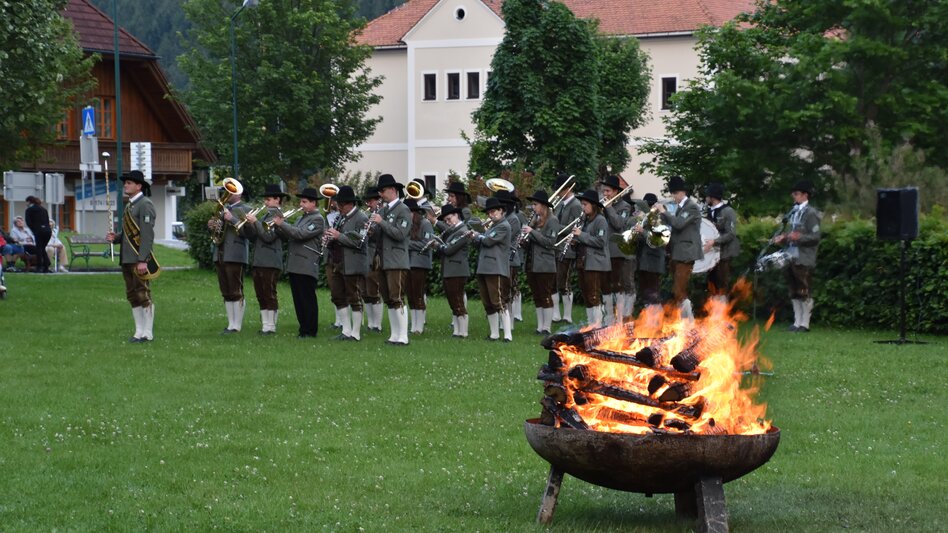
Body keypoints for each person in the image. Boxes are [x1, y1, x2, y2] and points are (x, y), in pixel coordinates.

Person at [105, 170, 156, 342]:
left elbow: (147, 235)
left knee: (143, 294)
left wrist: (143, 259)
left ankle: (148, 333)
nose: (125, 185)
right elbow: (128, 233)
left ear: (138, 186)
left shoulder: (145, 204)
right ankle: (138, 331)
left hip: (138, 259)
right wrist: (116, 238)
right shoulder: (130, 206)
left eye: (129, 183)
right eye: (125, 182)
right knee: (132, 295)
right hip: (126, 258)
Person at [273, 187, 325, 338]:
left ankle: (311, 330)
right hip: (295, 264)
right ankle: (303, 329)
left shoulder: (317, 219)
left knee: (307, 299)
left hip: (306, 264)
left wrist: (282, 224)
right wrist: (277, 227)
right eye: (301, 201)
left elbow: (300, 234)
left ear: (313, 203)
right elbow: (290, 236)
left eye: (304, 201)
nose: (301, 204)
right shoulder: (300, 218)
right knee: (298, 299)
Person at [368, 174, 412, 345]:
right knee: (388, 299)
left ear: (393, 190)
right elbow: (381, 236)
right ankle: (394, 334)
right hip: (383, 260)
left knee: (398, 297)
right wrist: (372, 231)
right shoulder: (383, 210)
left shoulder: (403, 209)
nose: (381, 194)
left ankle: (403, 336)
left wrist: (381, 223)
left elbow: (400, 234)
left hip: (396, 260)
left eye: (383, 190)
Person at [773, 180, 822, 332]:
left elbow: (815, 237)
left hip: (804, 257)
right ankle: (796, 321)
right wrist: (783, 238)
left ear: (805, 195)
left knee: (804, 289)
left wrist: (797, 237)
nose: (793, 196)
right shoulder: (792, 212)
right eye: (793, 194)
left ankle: (805, 324)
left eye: (796, 194)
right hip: (790, 256)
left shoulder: (811, 213)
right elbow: (790, 233)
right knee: (793, 290)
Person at [323, 186, 369, 341]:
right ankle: (346, 330)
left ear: (350, 204)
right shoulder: (340, 218)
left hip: (353, 263)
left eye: (341, 205)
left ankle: (355, 333)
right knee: (337, 296)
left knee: (354, 297)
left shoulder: (361, 218)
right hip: (338, 261)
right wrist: (328, 238)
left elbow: (360, 242)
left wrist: (338, 236)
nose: (338, 207)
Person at [241, 184, 287, 335]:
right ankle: (265, 325)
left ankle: (271, 326)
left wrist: (255, 222)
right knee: (261, 294)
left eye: (268, 199)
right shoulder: (266, 216)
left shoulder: (278, 216)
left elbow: (268, 237)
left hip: (271, 261)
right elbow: (256, 237)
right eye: (266, 199)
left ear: (277, 200)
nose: (265, 202)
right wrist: (248, 226)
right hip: (260, 260)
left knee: (269, 293)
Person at [655, 175, 703, 319]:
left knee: (679, 290)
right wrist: (660, 214)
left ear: (683, 192)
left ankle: (688, 323)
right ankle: (683, 321)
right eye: (673, 193)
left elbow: (678, 224)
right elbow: (673, 224)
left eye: (675, 193)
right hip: (677, 253)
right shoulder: (680, 208)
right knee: (677, 290)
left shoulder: (692, 207)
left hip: (686, 253)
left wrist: (664, 212)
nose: (674, 196)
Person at [208, 181, 250, 333]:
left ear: (238, 193)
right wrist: (213, 226)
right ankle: (230, 323)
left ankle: (237, 325)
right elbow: (218, 232)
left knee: (235, 289)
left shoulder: (246, 209)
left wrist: (231, 219)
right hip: (220, 252)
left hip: (236, 253)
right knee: (225, 290)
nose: (226, 194)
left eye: (230, 191)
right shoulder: (221, 209)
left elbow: (249, 233)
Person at [567, 189, 611, 328]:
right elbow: (584, 241)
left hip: (595, 264)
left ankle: (597, 325)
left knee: (593, 295)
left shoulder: (601, 220)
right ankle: (590, 323)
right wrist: (574, 242)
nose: (583, 207)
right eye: (582, 204)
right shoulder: (585, 220)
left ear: (593, 205)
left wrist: (581, 235)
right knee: (586, 295)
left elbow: (600, 241)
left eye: (585, 204)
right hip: (583, 262)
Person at [470, 197, 512, 341]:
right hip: (484, 267)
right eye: (489, 212)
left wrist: (478, 235)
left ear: (501, 211)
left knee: (498, 301)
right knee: (488, 303)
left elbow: (488, 241)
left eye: (493, 211)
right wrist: (475, 236)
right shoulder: (493, 226)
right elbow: (482, 243)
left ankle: (507, 334)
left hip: (496, 267)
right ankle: (494, 334)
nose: (490, 215)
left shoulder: (503, 226)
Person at [521, 190, 562, 335]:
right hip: (532, 263)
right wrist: (523, 241)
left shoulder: (553, 220)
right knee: (537, 296)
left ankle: (547, 327)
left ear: (544, 205)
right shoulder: (536, 220)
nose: (533, 207)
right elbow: (532, 243)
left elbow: (550, 242)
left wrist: (532, 232)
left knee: (545, 295)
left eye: (535, 204)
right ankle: (539, 326)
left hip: (545, 264)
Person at [599, 175, 634, 324]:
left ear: (615, 191)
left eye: (607, 191)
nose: (605, 194)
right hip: (603, 250)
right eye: (604, 191)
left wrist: (609, 208)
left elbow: (619, 224)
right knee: (605, 285)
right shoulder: (603, 206)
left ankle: (619, 318)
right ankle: (608, 317)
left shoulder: (624, 206)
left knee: (617, 285)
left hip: (616, 252)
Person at [432, 204, 471, 337]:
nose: (448, 222)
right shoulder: (455, 230)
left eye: (449, 219)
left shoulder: (462, 230)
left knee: (458, 300)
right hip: (451, 270)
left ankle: (463, 331)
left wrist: (437, 245)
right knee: (453, 301)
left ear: (456, 215)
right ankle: (458, 330)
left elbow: (449, 249)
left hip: (457, 270)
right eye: (446, 221)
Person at [551, 173, 582, 323]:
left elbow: (575, 227)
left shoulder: (576, 205)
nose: (558, 193)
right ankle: (556, 314)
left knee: (564, 282)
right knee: (554, 282)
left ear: (568, 189)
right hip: (556, 246)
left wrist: (554, 226)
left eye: (560, 190)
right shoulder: (560, 204)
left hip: (567, 247)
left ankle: (567, 316)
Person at [703, 183, 740, 299]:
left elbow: (731, 233)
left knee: (722, 284)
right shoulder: (708, 212)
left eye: (707, 196)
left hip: (725, 253)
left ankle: (722, 312)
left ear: (712, 197)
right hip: (712, 254)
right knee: (712, 283)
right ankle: (713, 312)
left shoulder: (728, 211)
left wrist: (714, 241)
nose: (706, 199)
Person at [406, 199, 434, 334]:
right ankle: (414, 325)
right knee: (410, 295)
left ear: (414, 212)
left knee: (418, 294)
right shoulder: (407, 224)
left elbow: (426, 244)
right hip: (407, 263)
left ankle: (420, 326)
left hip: (420, 263)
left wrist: (407, 243)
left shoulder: (425, 224)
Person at [635, 193, 667, 309]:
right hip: (643, 260)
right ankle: (647, 320)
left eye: (648, 205)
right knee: (644, 291)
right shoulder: (644, 217)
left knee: (653, 292)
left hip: (654, 260)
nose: (646, 208)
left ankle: (655, 320)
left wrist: (642, 231)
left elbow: (659, 239)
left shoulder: (660, 218)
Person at [361, 187, 385, 332]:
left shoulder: (382, 215)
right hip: (364, 255)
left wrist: (372, 231)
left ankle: (377, 324)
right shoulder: (367, 215)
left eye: (370, 201)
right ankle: (370, 323)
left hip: (375, 256)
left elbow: (381, 236)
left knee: (374, 289)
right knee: (365, 291)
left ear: (377, 200)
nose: (368, 204)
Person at [24, 196, 53, 273]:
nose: (26, 204)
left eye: (26, 202)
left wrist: (34, 230)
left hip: (38, 231)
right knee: (42, 248)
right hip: (47, 231)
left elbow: (28, 222)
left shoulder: (29, 210)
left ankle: (39, 267)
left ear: (29, 202)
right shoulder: (44, 209)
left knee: (39, 249)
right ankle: (46, 266)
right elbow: (47, 221)